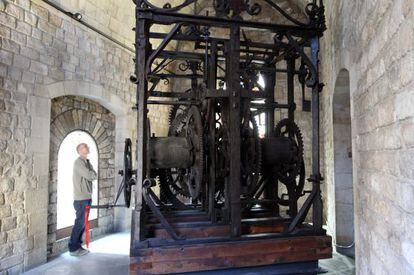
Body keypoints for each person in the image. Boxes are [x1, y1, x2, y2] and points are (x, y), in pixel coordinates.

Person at [68, 143, 97, 256]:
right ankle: (73, 248)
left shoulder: (87, 162)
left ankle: (78, 247)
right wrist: (91, 174)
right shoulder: (78, 162)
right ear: (80, 150)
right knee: (79, 223)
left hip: (87, 196)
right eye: (85, 146)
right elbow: (91, 176)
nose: (88, 148)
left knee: (83, 223)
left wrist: (91, 174)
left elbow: (94, 174)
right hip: (81, 198)